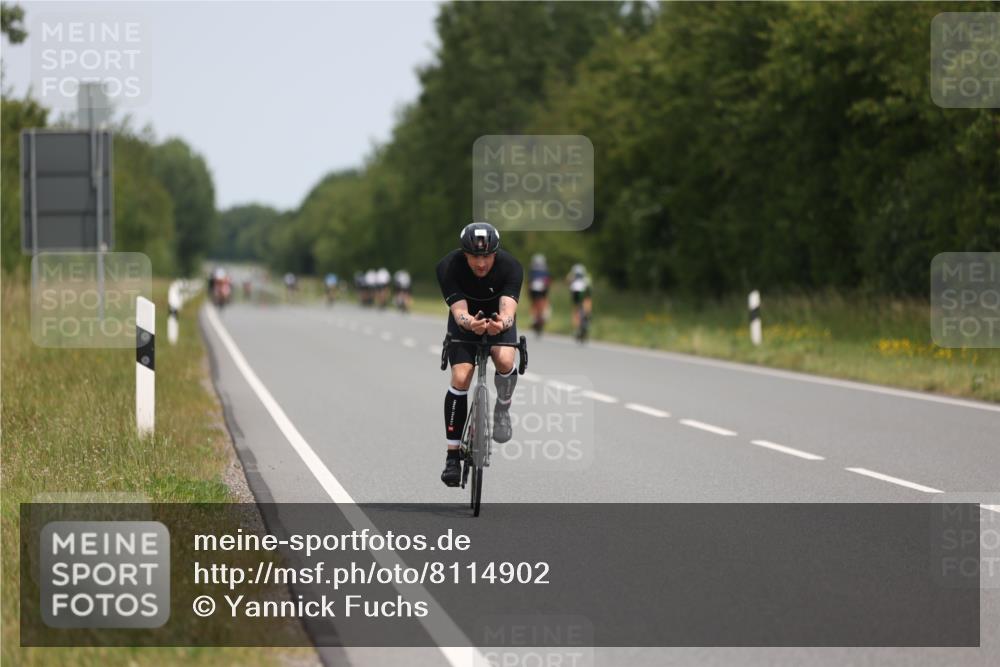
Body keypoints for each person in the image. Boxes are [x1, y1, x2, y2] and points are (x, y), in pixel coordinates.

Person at [436, 222, 523, 487]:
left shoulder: (511, 266)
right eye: (475, 256)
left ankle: (502, 408)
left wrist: (502, 324)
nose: (481, 263)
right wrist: (469, 323)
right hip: (466, 322)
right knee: (461, 376)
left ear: (496, 253)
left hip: (497, 320)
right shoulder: (448, 266)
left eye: (486, 256)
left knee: (506, 359)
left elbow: (508, 311)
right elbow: (459, 311)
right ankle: (452, 456)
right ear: (464, 254)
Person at [527, 253, 551, 337]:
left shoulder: (532, 269)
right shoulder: (545, 269)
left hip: (533, 289)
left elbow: (529, 282)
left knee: (534, 303)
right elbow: (548, 281)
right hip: (543, 289)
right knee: (543, 301)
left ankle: (534, 318)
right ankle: (543, 316)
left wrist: (528, 292)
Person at [567, 263, 592, 339]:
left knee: (576, 309)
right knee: (587, 303)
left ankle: (578, 327)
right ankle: (586, 318)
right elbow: (589, 290)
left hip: (575, 293)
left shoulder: (572, 277)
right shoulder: (586, 278)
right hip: (584, 293)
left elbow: (568, 281)